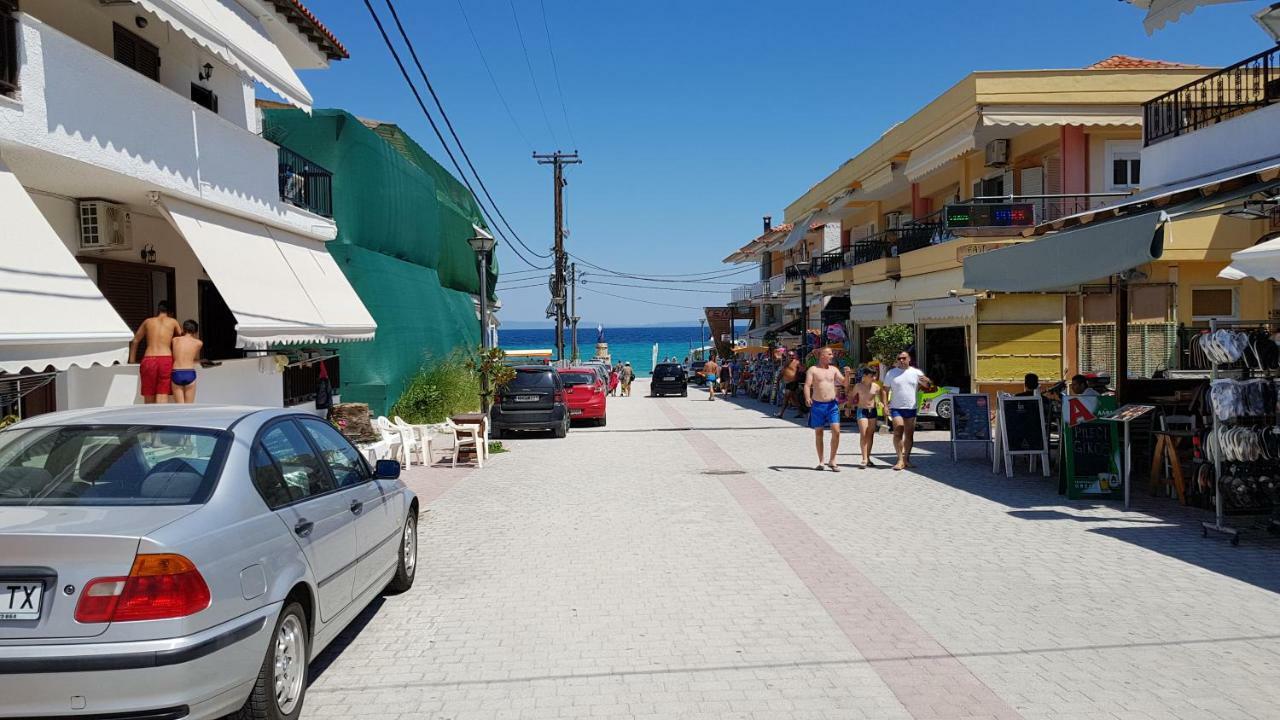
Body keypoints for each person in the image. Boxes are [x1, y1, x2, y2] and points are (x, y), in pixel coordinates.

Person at [881, 350, 935, 471]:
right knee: (898, 430)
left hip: (911, 407)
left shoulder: (916, 372)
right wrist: (885, 405)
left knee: (909, 434)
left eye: (904, 358)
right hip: (896, 407)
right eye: (899, 358)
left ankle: (907, 459)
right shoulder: (891, 373)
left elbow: (927, 387)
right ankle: (900, 460)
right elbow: (884, 390)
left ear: (909, 359)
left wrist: (928, 381)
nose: (901, 360)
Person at [129, 301, 182, 404]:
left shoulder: (148, 321)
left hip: (149, 359)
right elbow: (182, 338)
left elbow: (135, 340)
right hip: (165, 359)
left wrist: (132, 361)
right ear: (171, 312)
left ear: (158, 310)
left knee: (149, 393)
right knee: (162, 393)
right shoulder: (173, 322)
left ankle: (150, 419)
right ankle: (161, 419)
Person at [804, 347, 845, 471]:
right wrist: (807, 397)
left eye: (832, 354)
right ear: (822, 356)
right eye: (830, 354)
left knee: (836, 431)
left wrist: (847, 374)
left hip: (832, 404)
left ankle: (832, 460)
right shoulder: (813, 370)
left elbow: (844, 383)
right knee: (819, 432)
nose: (832, 356)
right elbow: (807, 385)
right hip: (818, 404)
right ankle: (821, 461)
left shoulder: (834, 369)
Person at [846, 364, 881, 468]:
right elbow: (851, 397)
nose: (874, 378)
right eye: (872, 376)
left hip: (872, 411)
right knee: (864, 433)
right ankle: (864, 458)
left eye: (875, 376)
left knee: (870, 435)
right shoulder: (858, 386)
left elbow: (878, 398)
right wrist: (848, 408)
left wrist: (880, 403)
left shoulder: (876, 386)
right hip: (862, 410)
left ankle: (868, 458)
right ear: (865, 375)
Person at [170, 320, 203, 404]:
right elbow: (190, 357)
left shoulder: (175, 340)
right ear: (195, 331)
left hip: (176, 372)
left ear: (183, 329)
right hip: (189, 372)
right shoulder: (198, 343)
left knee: (179, 407)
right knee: (189, 406)